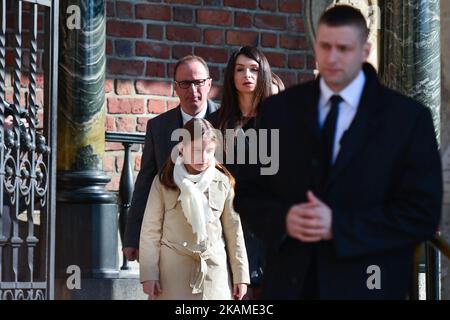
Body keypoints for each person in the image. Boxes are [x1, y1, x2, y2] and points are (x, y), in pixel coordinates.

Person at [233, 5, 442, 299]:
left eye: (343, 48)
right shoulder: (278, 111)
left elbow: (422, 213)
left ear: (364, 50)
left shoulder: (407, 119)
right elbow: (248, 193)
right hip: (291, 284)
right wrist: (285, 219)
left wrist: (339, 227)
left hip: (370, 283)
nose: (332, 58)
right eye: (325, 46)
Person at [139, 118, 250, 300]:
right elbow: (150, 230)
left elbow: (234, 232)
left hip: (214, 273)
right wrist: (149, 274)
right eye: (196, 150)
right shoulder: (164, 182)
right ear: (182, 148)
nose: (203, 157)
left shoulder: (223, 183)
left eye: (209, 151)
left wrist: (241, 276)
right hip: (172, 275)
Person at [123, 56, 220, 262]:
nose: (193, 90)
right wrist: (132, 237)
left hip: (217, 236)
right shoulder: (158, 128)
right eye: (185, 83)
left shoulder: (227, 121)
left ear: (209, 84)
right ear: (175, 87)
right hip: (172, 237)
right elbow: (145, 183)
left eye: (199, 82)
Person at [208, 46, 273, 299]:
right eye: (240, 69)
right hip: (228, 225)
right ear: (231, 76)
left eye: (254, 69)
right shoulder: (216, 124)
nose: (247, 75)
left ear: (263, 74)